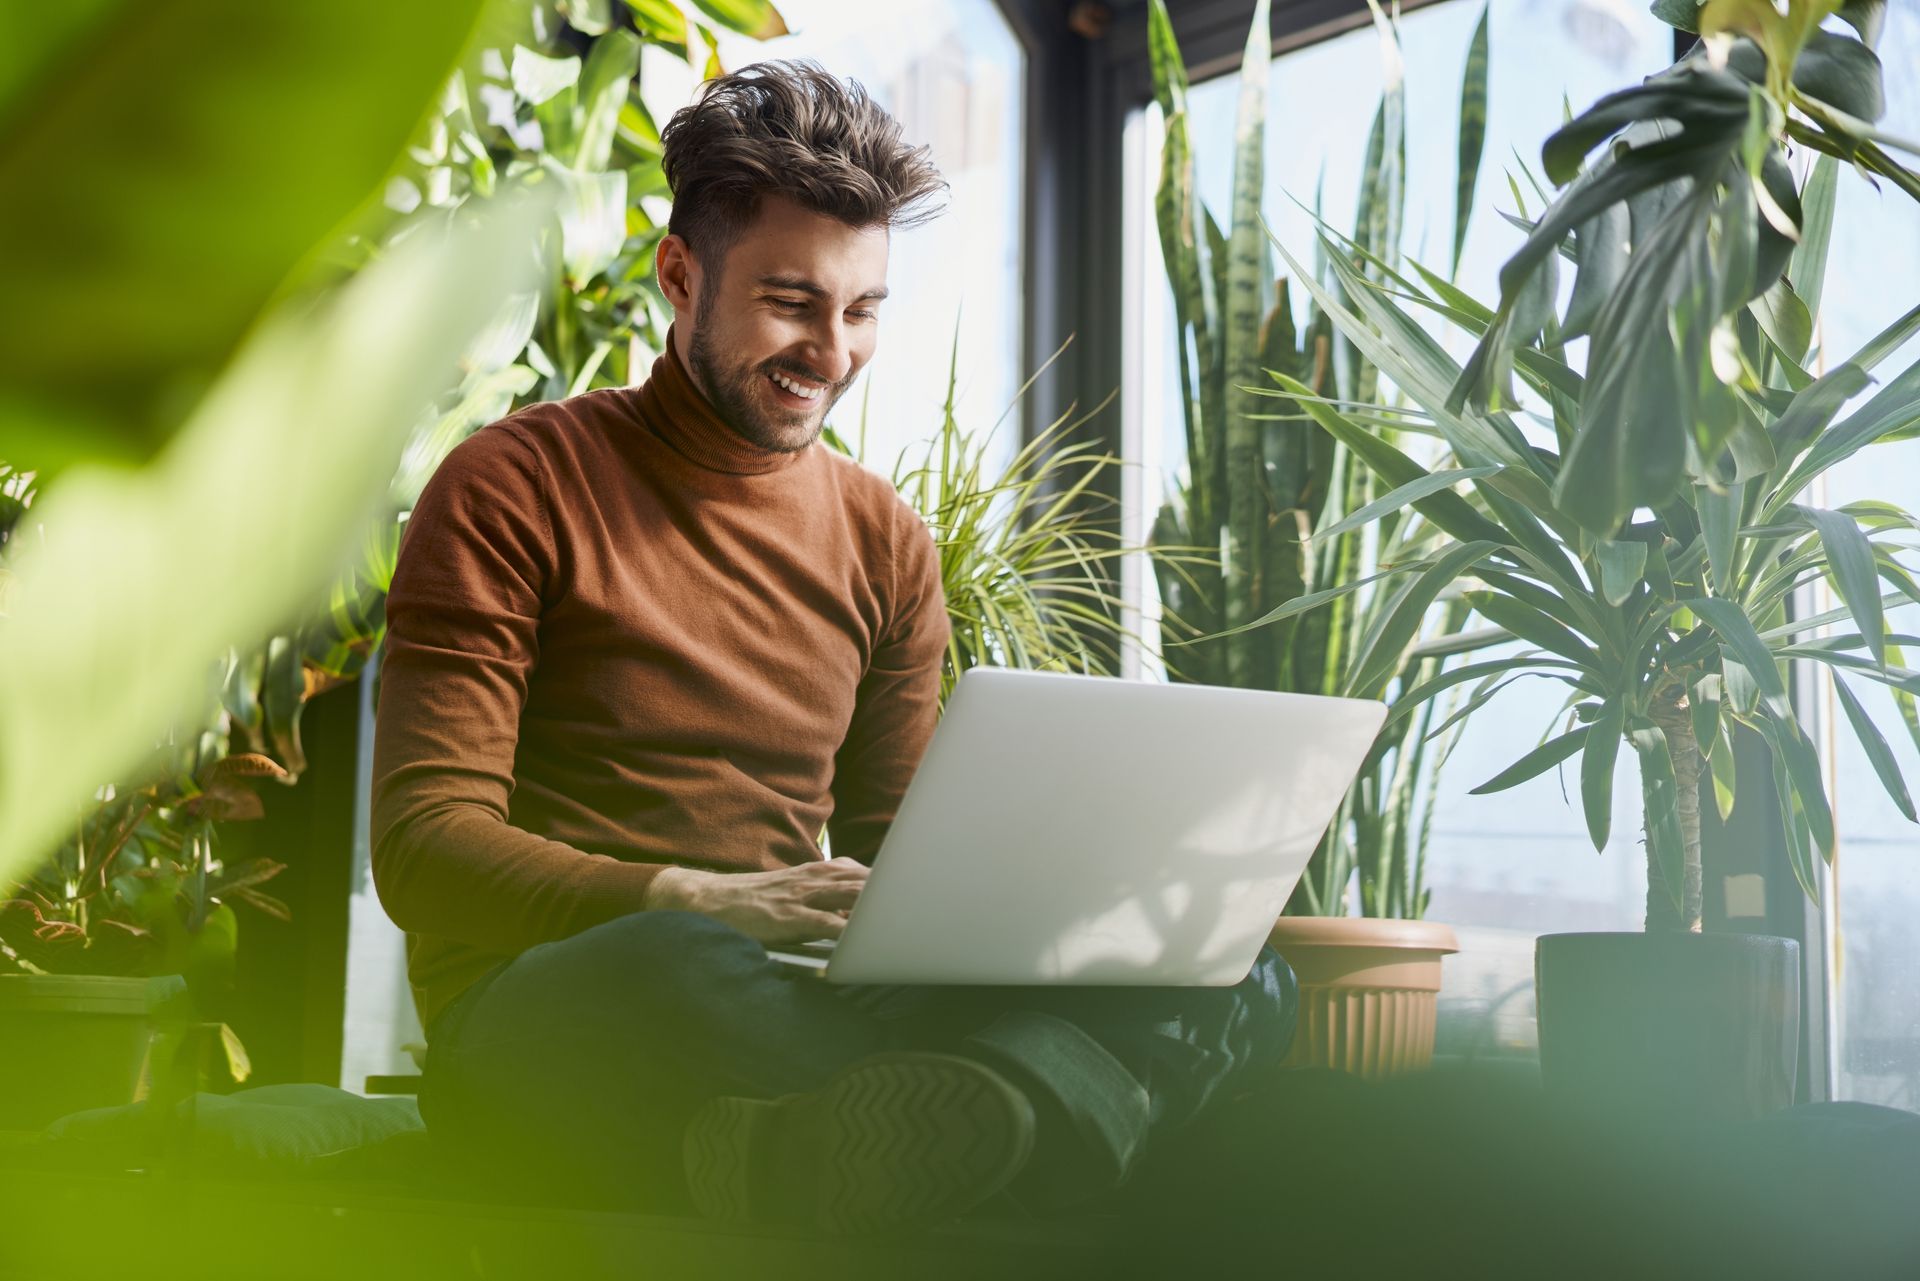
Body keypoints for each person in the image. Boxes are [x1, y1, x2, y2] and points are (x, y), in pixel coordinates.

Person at [370, 57, 1297, 1236]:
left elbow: (899, 861)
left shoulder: (883, 540)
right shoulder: (515, 484)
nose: (833, 351)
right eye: (793, 302)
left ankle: (840, 1140)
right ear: (679, 275)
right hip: (570, 1005)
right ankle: (1010, 1123)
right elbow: (424, 849)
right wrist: (695, 900)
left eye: (864, 311)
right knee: (669, 966)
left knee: (1240, 969)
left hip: (789, 996)